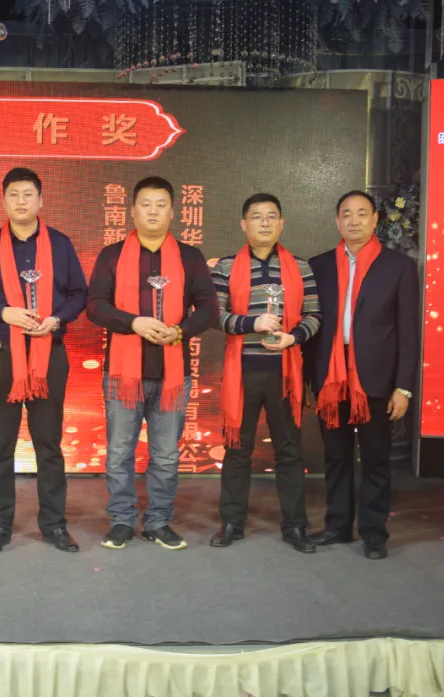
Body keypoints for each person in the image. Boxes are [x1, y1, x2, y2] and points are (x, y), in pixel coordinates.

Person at [0, 167, 88, 555]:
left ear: (41, 200)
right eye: (14, 194)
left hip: (49, 355)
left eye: (28, 194)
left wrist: (57, 318)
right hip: (2, 356)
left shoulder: (61, 245)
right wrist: (3, 313)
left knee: (49, 444)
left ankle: (54, 524)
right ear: (3, 201)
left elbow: (79, 293)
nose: (21, 201)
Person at [88, 176, 217, 550]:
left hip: (172, 375)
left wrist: (179, 331)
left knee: (165, 455)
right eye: (146, 204)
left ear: (173, 212)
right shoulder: (112, 255)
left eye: (161, 205)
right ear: (133, 210)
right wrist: (133, 322)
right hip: (122, 374)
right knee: (119, 453)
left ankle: (159, 521)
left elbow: (209, 309)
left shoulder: (190, 257)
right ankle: (122, 520)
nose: (153, 211)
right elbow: (95, 306)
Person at [305, 190, 419, 560]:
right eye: (346, 214)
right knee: (335, 457)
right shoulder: (319, 266)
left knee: (375, 459)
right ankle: (337, 525)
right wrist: (308, 380)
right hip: (331, 376)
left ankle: (374, 533)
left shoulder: (398, 267)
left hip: (377, 377)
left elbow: (408, 332)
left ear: (374, 220)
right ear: (337, 221)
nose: (354, 220)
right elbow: (311, 328)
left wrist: (403, 387)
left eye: (361, 213)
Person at [210, 194, 321, 554]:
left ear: (281, 224)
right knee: (237, 450)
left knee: (289, 451)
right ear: (244, 224)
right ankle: (231, 522)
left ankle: (296, 526)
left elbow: (315, 315)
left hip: (284, 373)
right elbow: (214, 314)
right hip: (242, 371)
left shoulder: (300, 267)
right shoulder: (226, 267)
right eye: (256, 216)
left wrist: (293, 337)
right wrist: (252, 323)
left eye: (271, 216)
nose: (264, 222)